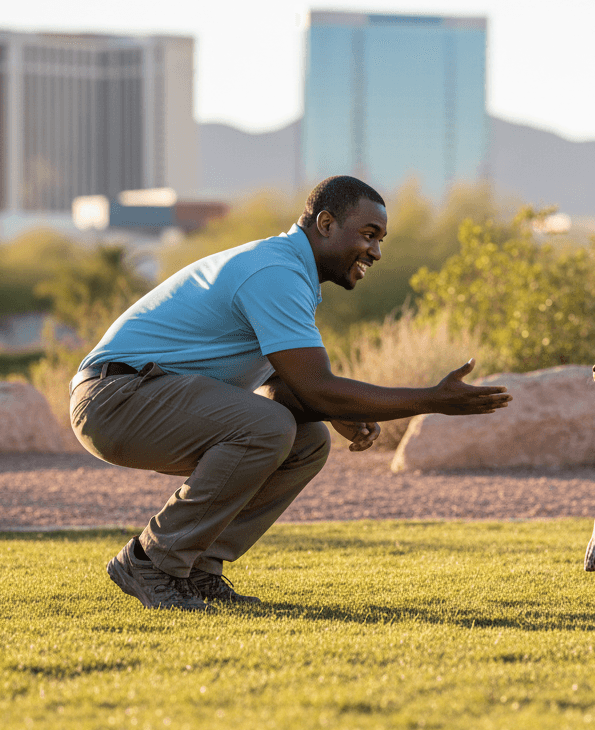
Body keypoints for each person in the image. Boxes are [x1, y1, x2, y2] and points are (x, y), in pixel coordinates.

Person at [70, 175, 512, 611]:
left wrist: (332, 410)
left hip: (142, 397)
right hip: (113, 399)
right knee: (269, 426)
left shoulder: (289, 272)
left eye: (380, 240)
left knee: (307, 440)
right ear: (326, 224)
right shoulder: (276, 272)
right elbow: (317, 387)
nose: (376, 251)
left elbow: (285, 383)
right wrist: (431, 400)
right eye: (368, 234)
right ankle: (151, 560)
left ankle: (197, 566)